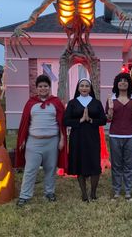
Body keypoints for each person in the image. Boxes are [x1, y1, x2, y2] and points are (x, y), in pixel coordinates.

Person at [15, 74, 67, 206]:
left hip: (52, 141)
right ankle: (25, 196)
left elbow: (61, 123)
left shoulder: (56, 103)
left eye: (45, 86)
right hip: (34, 142)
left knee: (50, 169)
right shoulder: (31, 103)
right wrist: (23, 140)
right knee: (30, 169)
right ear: (36, 88)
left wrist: (62, 139)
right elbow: (25, 123)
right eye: (40, 86)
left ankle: (49, 192)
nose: (43, 88)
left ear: (49, 87)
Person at [64, 78, 107, 202]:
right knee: (79, 162)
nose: (84, 88)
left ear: (90, 88)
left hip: (92, 137)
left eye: (86, 86)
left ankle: (93, 193)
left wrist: (91, 120)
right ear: (78, 88)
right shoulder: (72, 103)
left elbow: (103, 120)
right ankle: (84, 193)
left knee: (94, 163)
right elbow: (66, 121)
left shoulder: (96, 102)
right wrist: (80, 120)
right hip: (77, 137)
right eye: (81, 86)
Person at [105, 72, 132, 201]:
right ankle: (116, 190)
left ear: (129, 83)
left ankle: (128, 191)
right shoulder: (111, 99)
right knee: (116, 164)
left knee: (129, 164)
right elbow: (108, 119)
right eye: (120, 80)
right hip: (115, 135)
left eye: (126, 80)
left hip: (130, 136)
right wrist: (109, 114)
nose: (123, 82)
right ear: (116, 83)